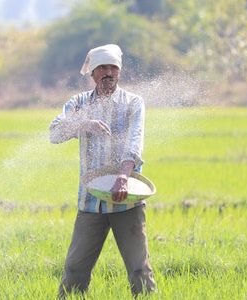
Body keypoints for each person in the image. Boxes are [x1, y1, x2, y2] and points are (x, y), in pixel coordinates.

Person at [49, 44, 156, 298]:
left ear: (119, 71)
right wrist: (83, 123)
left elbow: (134, 141)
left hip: (126, 200)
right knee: (75, 269)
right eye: (102, 68)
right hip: (90, 202)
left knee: (139, 270)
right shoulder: (78, 103)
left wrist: (123, 176)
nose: (108, 72)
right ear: (93, 73)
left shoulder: (133, 103)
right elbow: (54, 133)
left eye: (113, 68)